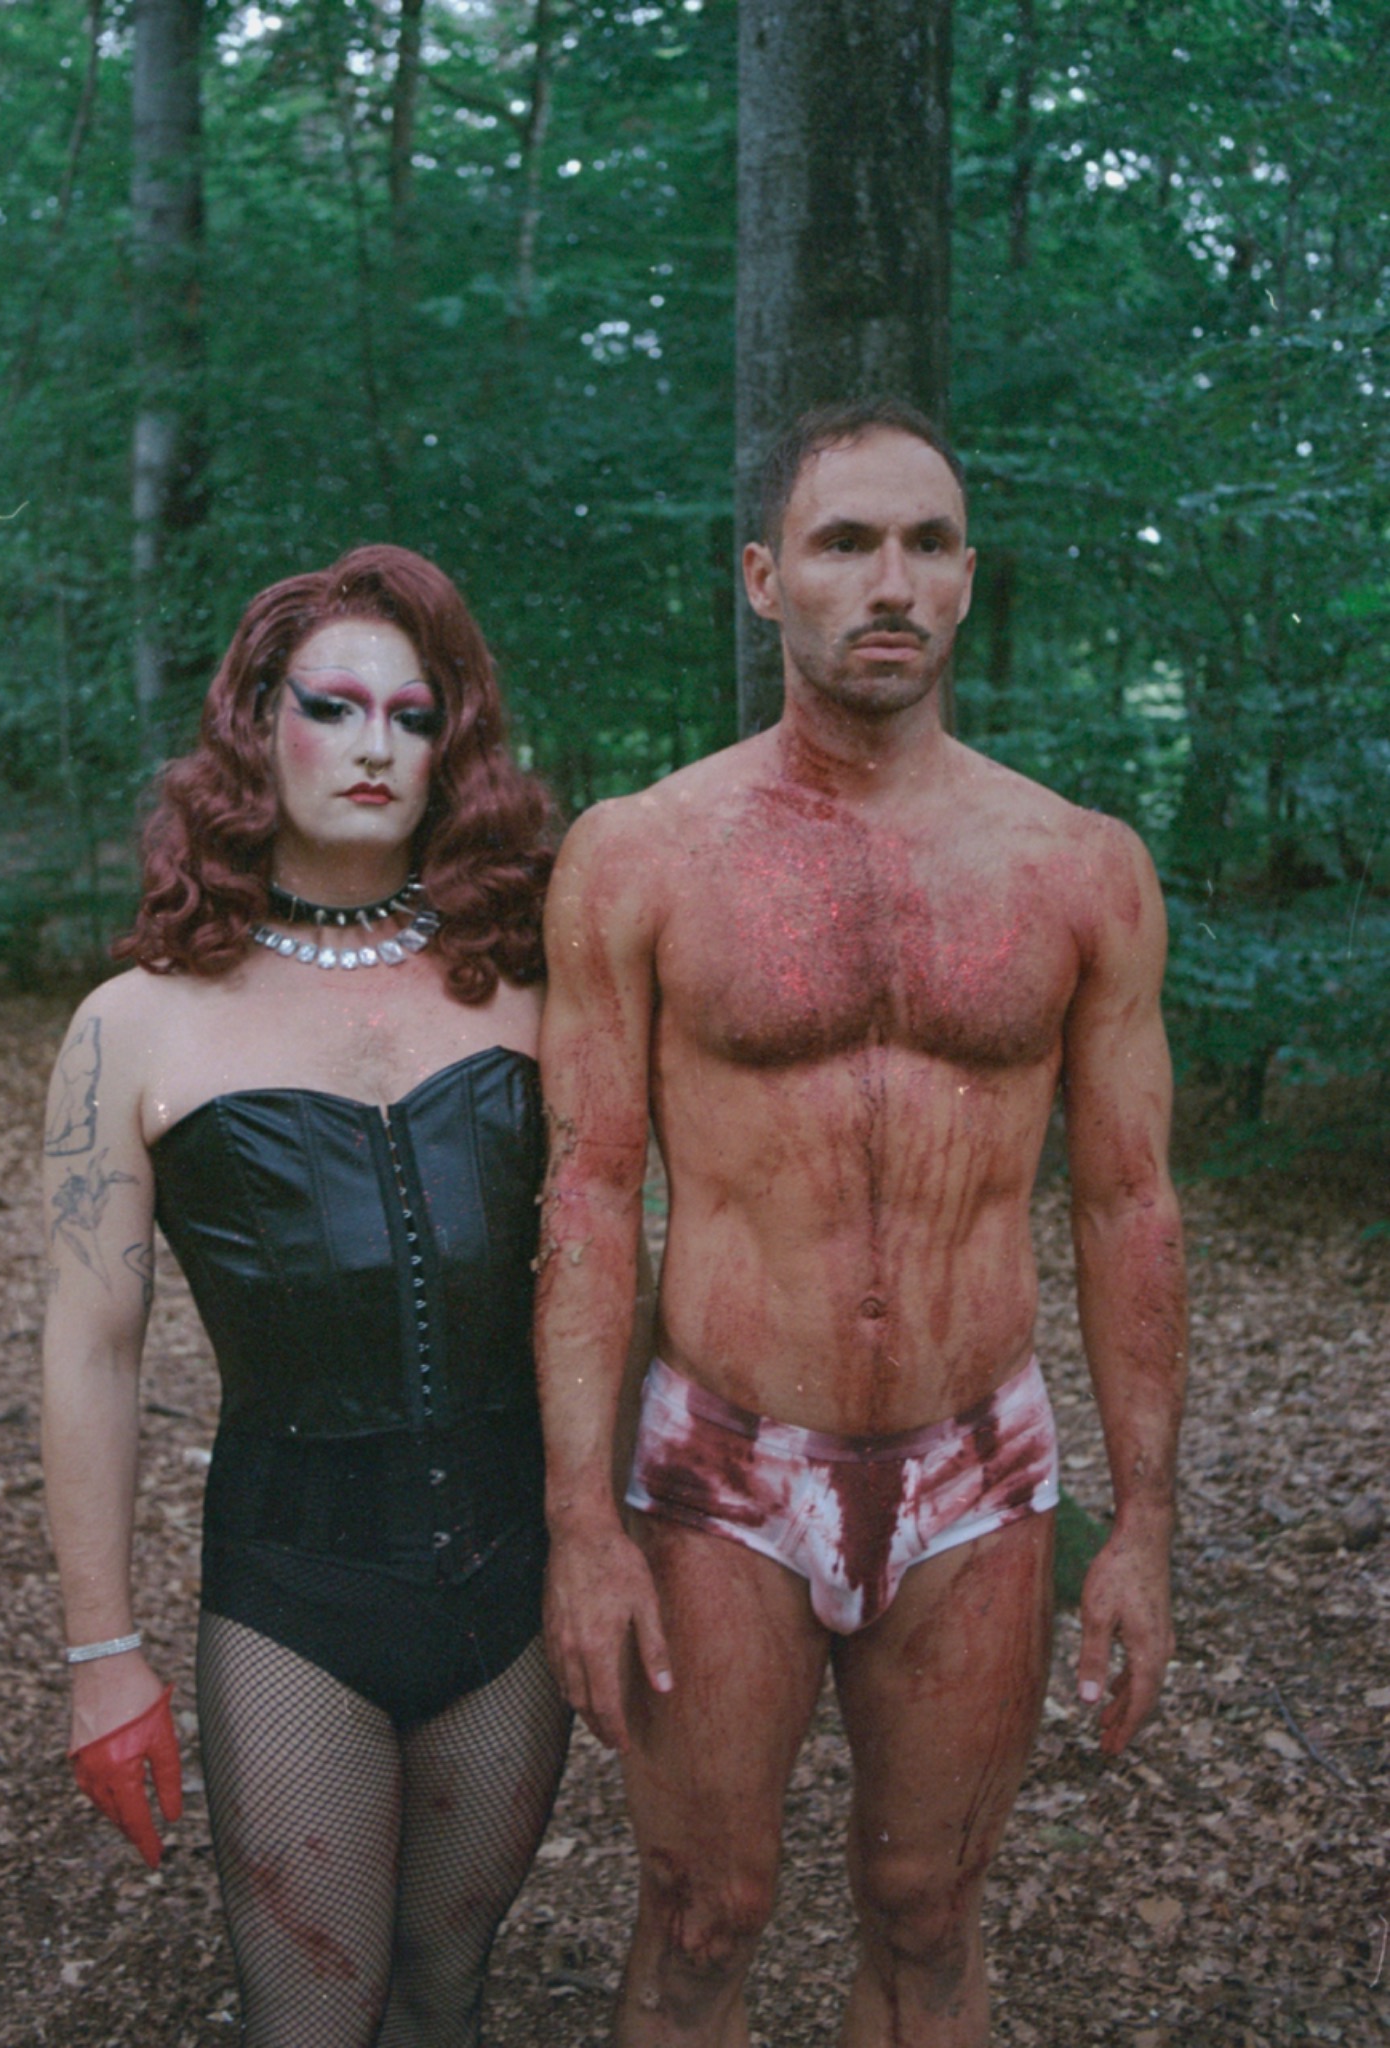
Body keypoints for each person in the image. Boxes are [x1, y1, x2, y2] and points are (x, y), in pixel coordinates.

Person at [535, 399, 1188, 2047]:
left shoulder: (1079, 867)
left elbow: (1128, 1204)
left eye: (924, 544)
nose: (888, 582)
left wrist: (1143, 1526)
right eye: (843, 543)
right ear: (764, 579)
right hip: (717, 1464)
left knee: (927, 1911)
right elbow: (587, 1192)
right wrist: (581, 1525)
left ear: (967, 577)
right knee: (701, 1916)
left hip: (980, 1468)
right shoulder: (639, 856)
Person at [40, 545, 571, 2048]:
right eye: (332, 707)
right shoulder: (132, 1027)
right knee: (312, 2016)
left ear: (452, 747)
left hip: (518, 1583)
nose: (371, 746)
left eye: (412, 716)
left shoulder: (539, 986)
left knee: (446, 1992)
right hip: (292, 1594)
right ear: (256, 726)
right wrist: (103, 1656)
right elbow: (91, 1349)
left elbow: (618, 1276)